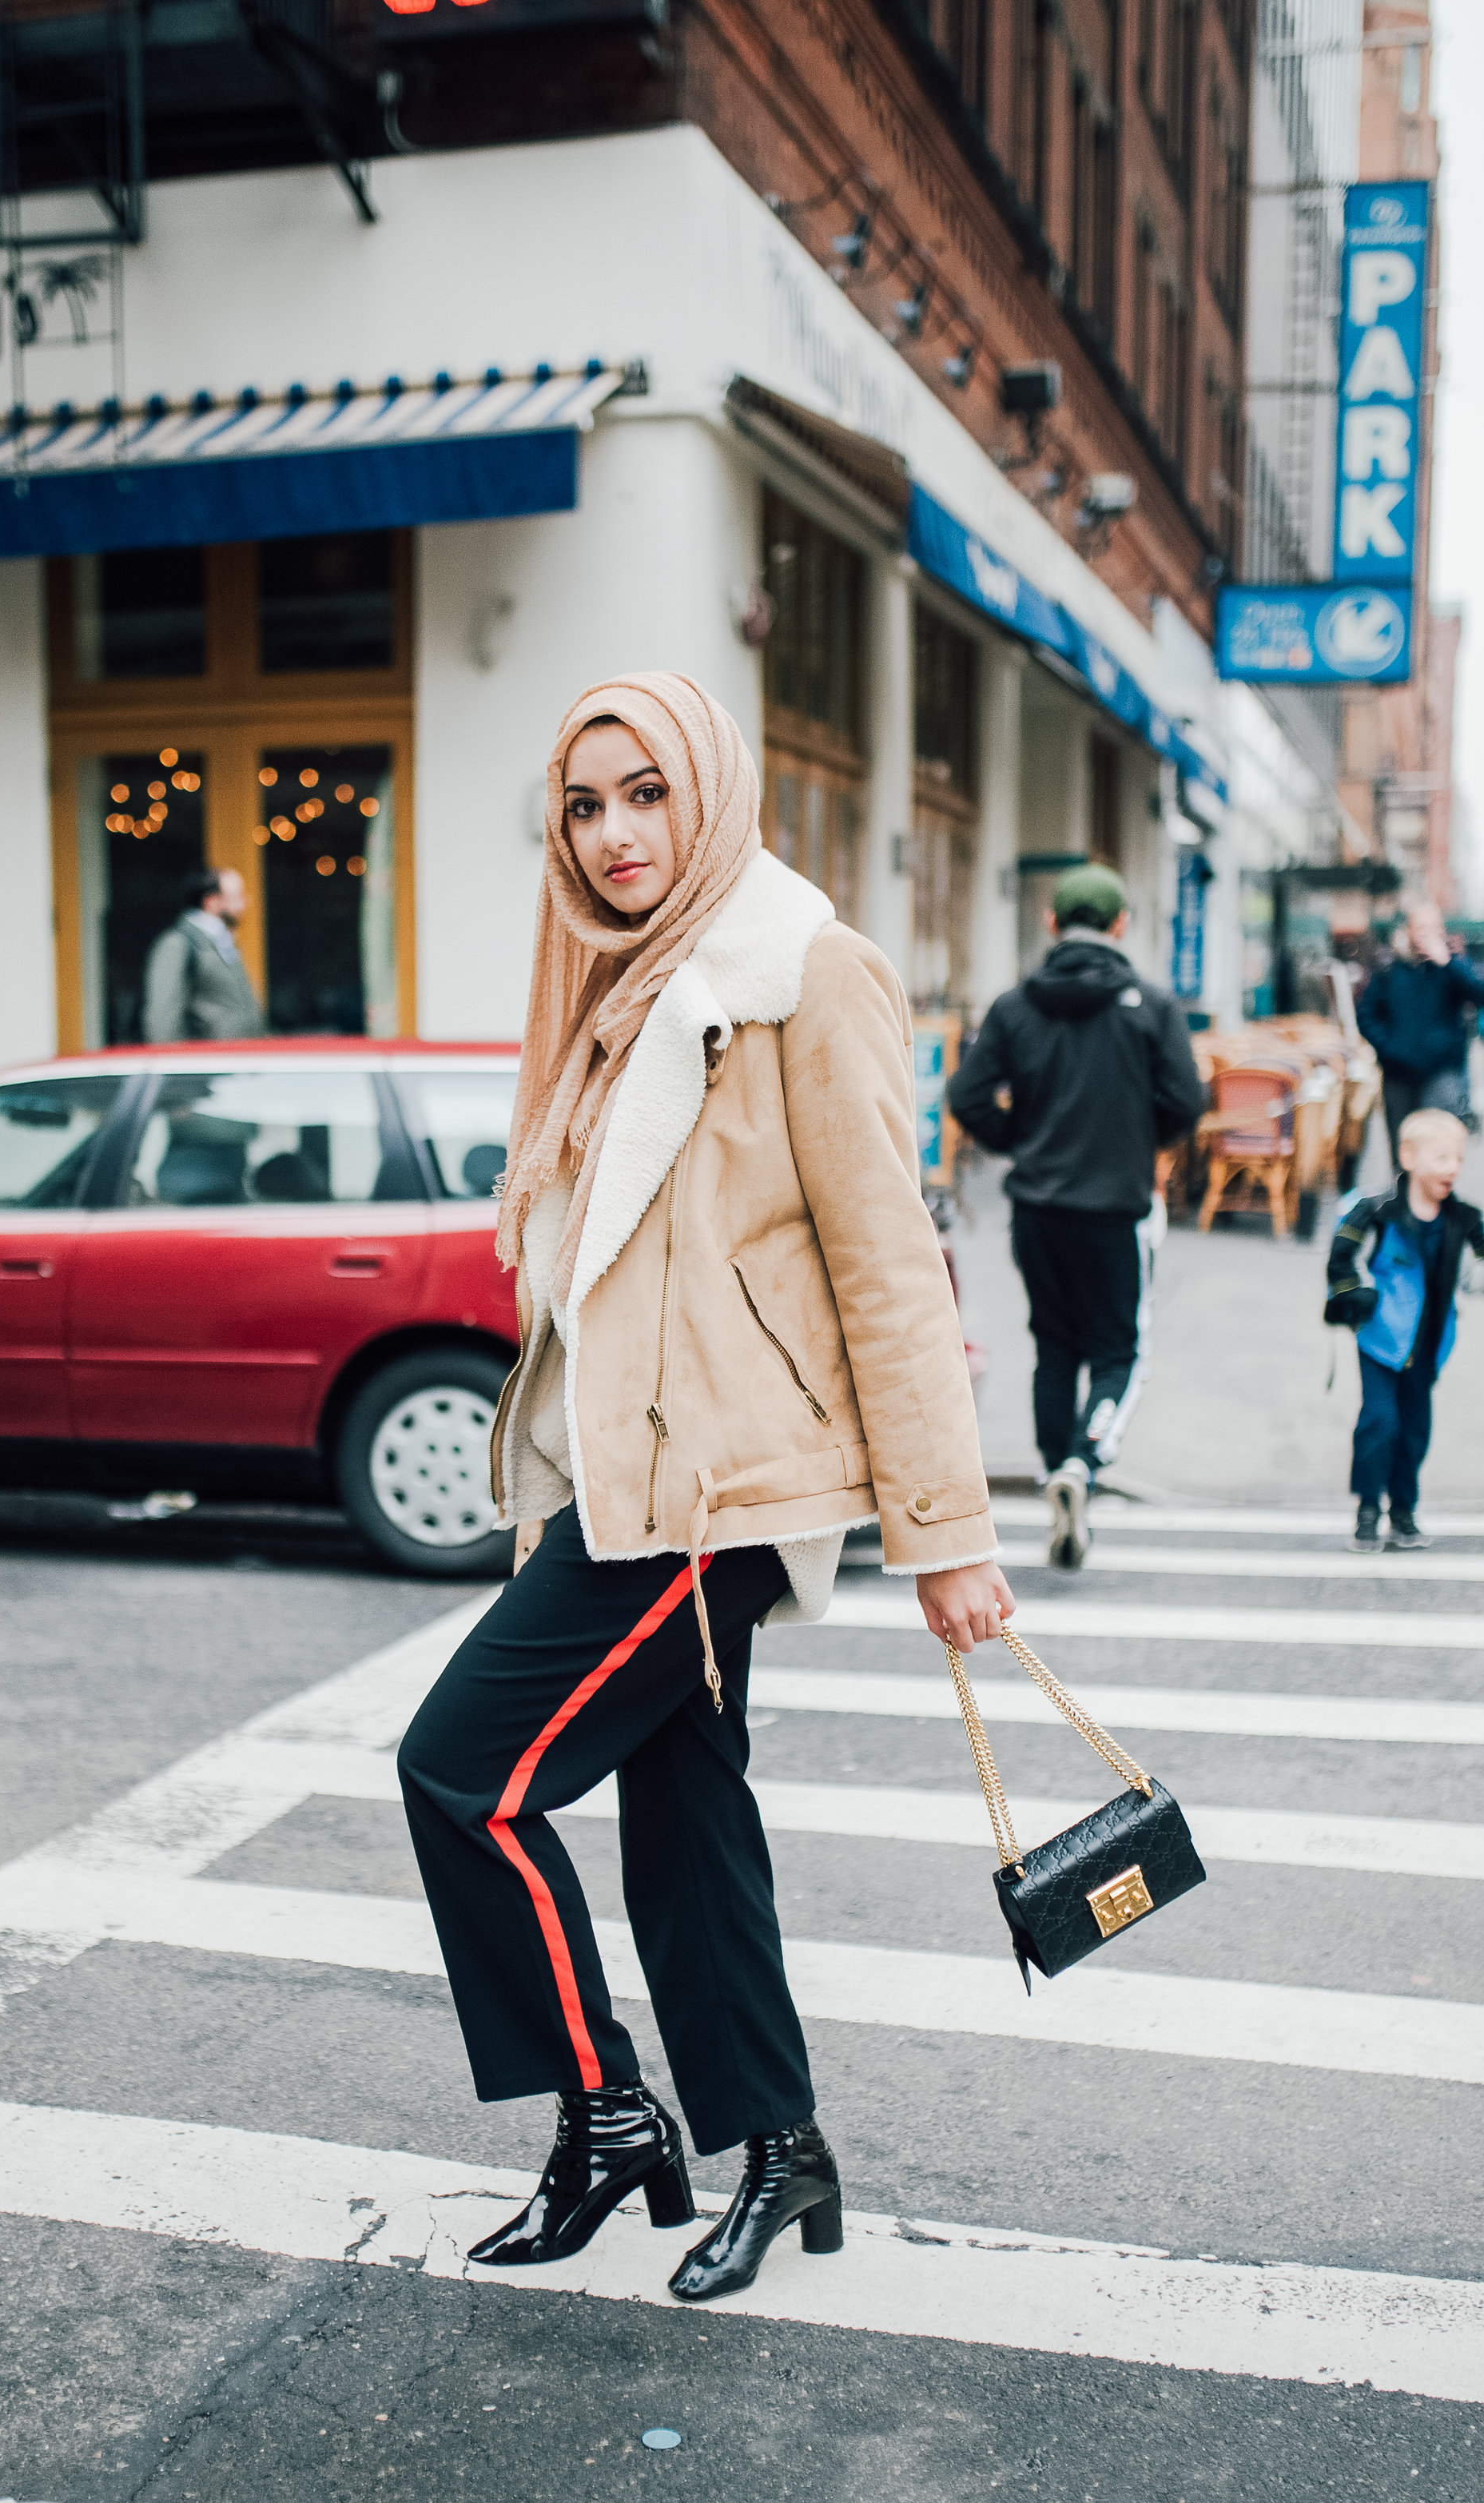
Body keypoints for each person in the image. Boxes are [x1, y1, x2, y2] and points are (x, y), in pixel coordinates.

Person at [396, 673, 1010, 2306]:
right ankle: (778, 2147)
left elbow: (893, 1267)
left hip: (723, 1492)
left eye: (645, 793)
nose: (612, 836)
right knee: (686, 1821)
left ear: (710, 791)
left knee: (461, 1775)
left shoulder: (799, 971)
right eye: (583, 805)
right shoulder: (607, 992)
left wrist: (943, 1536)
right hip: (631, 1483)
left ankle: (607, 2115)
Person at [946, 862, 1204, 1571]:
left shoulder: (1014, 1007)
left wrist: (1018, 1141)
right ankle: (1086, 1465)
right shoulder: (1152, 1006)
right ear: (1121, 925)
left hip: (1037, 1209)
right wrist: (1133, 1136)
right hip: (1116, 1209)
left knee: (1054, 1347)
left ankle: (1058, 1462)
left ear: (1053, 924)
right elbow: (1186, 1103)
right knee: (1118, 1350)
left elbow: (967, 1097)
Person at [1325, 1105, 1484, 1550]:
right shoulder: (1377, 1214)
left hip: (1430, 1343)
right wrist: (1360, 1296)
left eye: (1459, 1159)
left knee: (1415, 1428)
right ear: (1409, 1158)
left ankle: (1404, 1511)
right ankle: (1368, 1508)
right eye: (1442, 1158)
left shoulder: (1463, 1221)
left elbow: (1475, 1276)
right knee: (1379, 1422)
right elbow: (1343, 1261)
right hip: (1379, 1340)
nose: (1453, 1168)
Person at [1355, 907, 1484, 1152]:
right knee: (1405, 1151)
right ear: (1409, 932)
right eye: (1420, 928)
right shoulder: (1388, 972)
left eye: (1432, 929)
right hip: (1398, 1075)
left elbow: (1480, 995)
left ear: (1441, 932)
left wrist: (1447, 963)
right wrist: (1389, 1049)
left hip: (1441, 1073)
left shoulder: (1453, 968)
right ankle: (1404, 1191)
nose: (1426, 935)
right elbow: (1366, 1016)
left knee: (1437, 1148)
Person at [141, 867, 264, 1041]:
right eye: (237, 896)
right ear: (211, 902)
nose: (244, 904)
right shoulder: (177, 944)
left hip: (238, 1060)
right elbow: (163, 1019)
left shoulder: (222, 942)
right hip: (208, 1063)